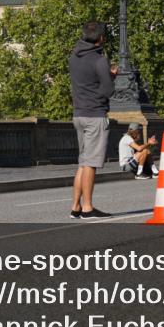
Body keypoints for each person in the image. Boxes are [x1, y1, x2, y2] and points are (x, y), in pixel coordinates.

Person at [68, 21, 117, 219]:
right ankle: (88, 207)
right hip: (95, 114)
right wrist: (111, 76)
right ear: (101, 38)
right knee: (90, 163)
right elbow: (108, 90)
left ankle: (75, 206)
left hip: (78, 114)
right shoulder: (99, 60)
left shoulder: (74, 57)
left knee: (83, 162)